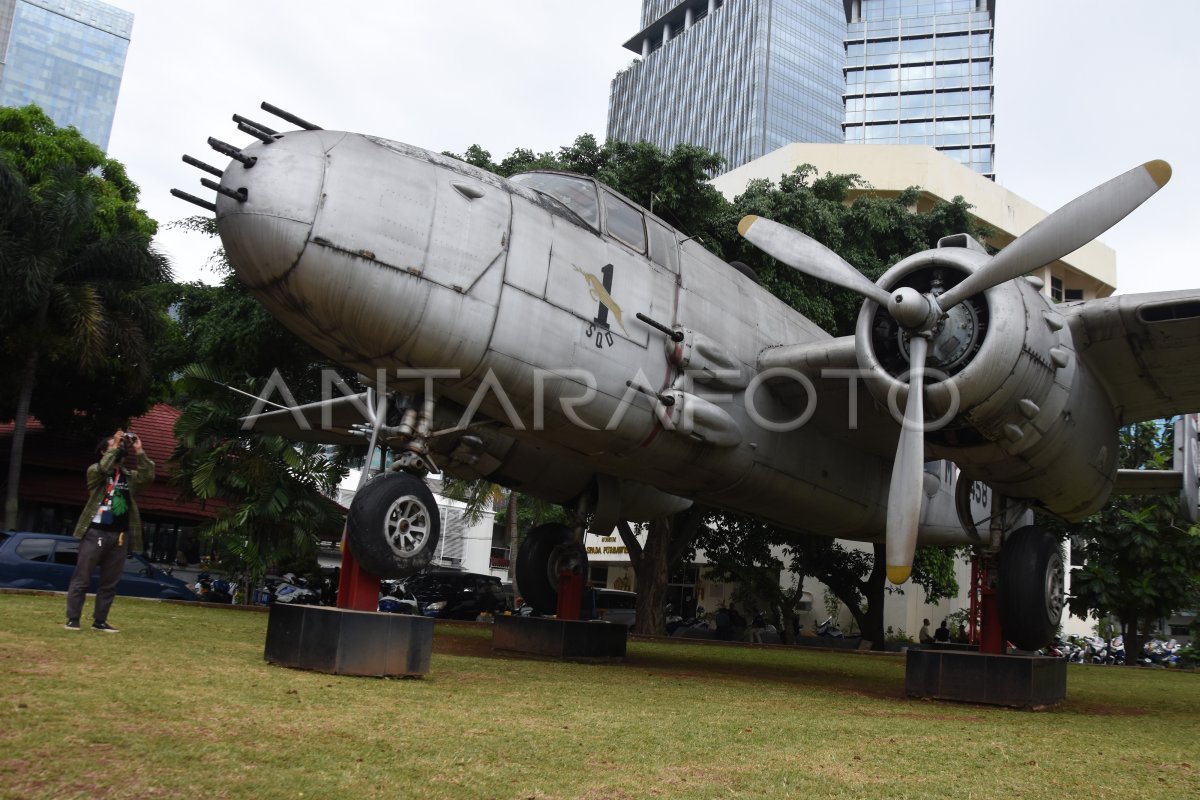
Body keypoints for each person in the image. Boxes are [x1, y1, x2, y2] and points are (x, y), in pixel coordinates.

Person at [64, 429, 155, 632]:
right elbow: (104, 468)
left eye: (120, 446)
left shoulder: (129, 477)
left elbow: (148, 476)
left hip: (119, 536)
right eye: (113, 446)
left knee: (110, 583)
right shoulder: (95, 472)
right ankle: (73, 618)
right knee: (82, 578)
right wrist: (114, 444)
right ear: (103, 451)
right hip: (95, 533)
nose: (118, 448)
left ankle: (100, 621)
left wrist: (139, 451)